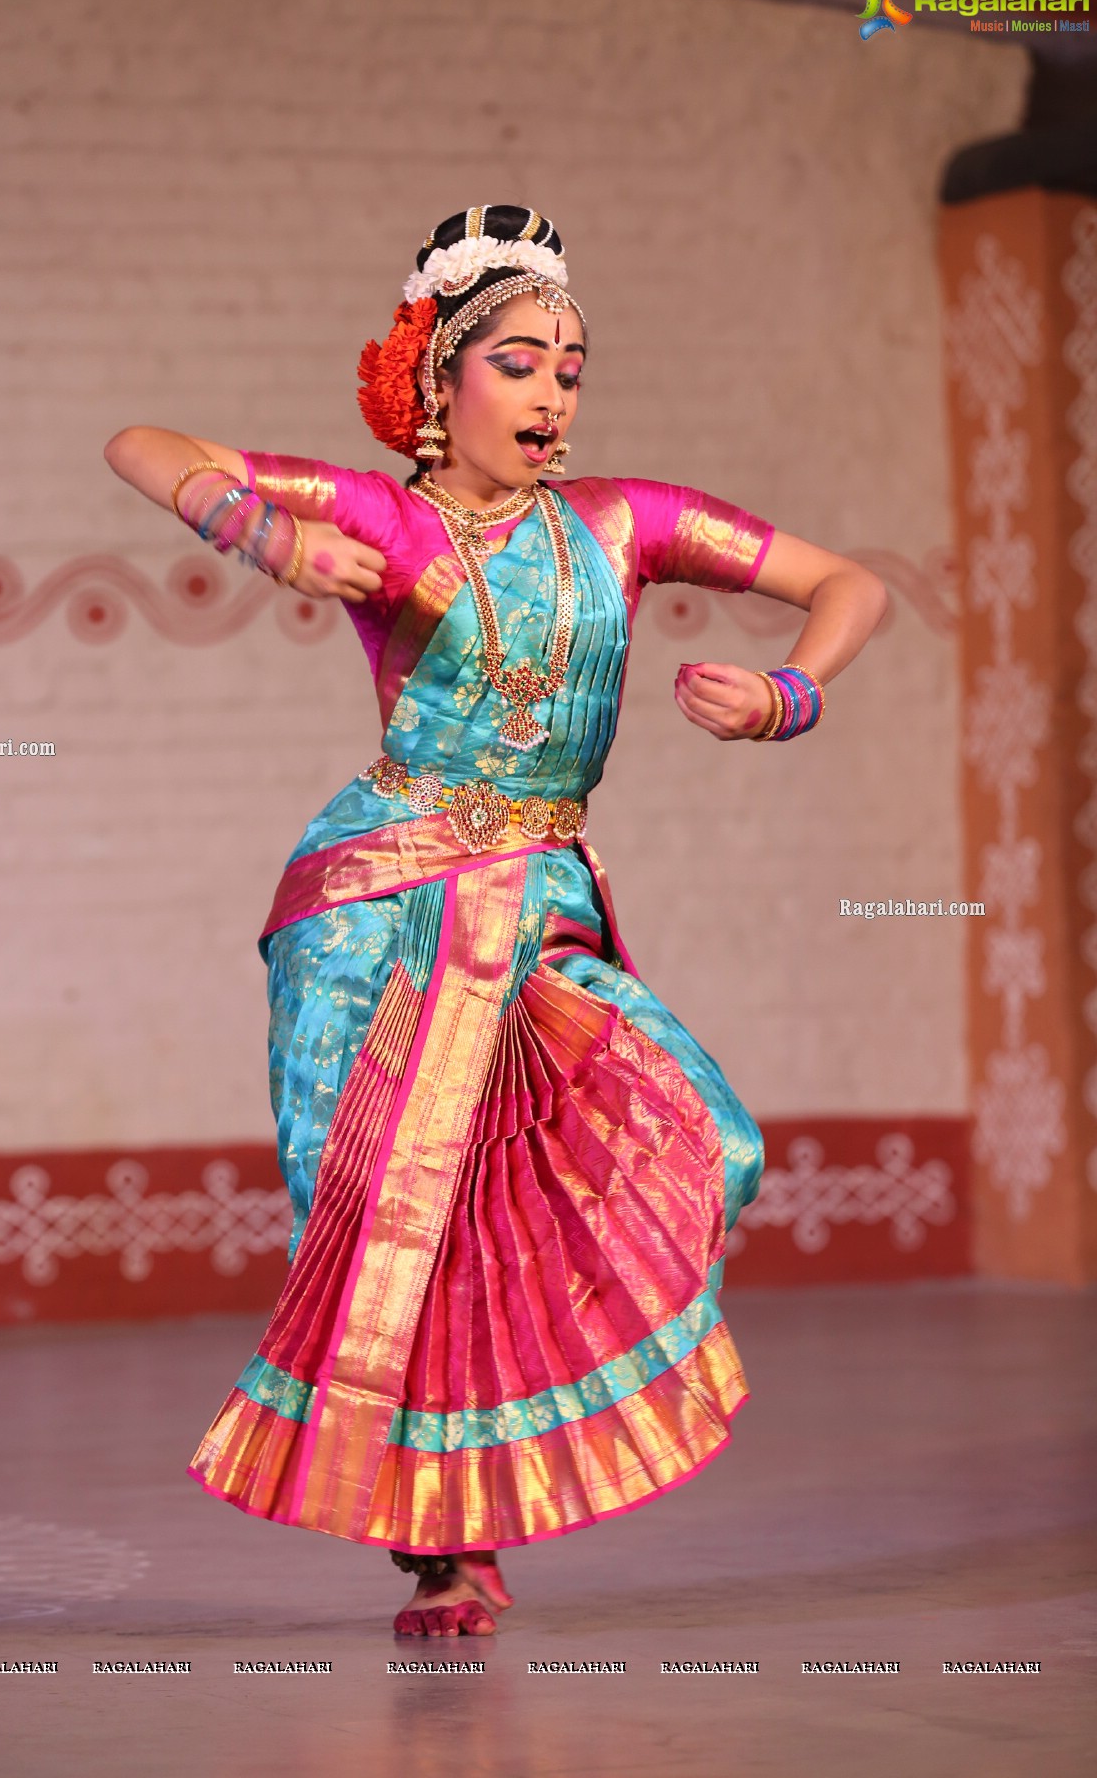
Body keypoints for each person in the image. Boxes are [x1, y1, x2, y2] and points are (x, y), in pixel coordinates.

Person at [104, 204, 887, 1640]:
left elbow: (850, 583)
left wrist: (792, 693)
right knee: (394, 1231)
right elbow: (146, 447)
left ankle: (504, 1471)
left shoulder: (625, 524)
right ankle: (447, 1548)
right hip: (372, 910)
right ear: (441, 379)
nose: (553, 395)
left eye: (571, 370)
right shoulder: (383, 515)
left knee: (712, 1140)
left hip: (537, 905)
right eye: (522, 364)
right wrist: (266, 535)